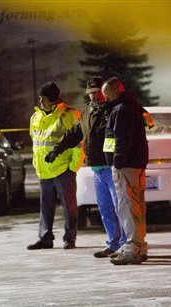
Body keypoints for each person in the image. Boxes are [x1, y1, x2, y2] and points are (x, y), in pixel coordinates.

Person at [45, 76, 126, 258]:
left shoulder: (113, 109)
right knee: (105, 209)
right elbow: (74, 134)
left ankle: (125, 245)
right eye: (90, 94)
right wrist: (57, 149)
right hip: (96, 168)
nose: (94, 97)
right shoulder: (86, 111)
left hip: (112, 167)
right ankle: (113, 244)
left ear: (104, 92)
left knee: (120, 208)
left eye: (97, 93)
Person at [27, 81, 83, 250]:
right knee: (46, 207)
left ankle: (69, 238)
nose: (40, 101)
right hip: (44, 170)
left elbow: (78, 144)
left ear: (52, 98)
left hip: (63, 168)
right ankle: (45, 239)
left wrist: (73, 167)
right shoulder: (36, 116)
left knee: (69, 206)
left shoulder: (70, 115)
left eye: (43, 98)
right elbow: (35, 142)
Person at [101, 77, 149, 265]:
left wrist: (118, 159)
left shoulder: (121, 109)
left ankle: (132, 249)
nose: (105, 98)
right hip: (135, 164)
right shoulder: (133, 106)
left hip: (125, 165)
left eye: (107, 94)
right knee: (137, 206)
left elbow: (122, 137)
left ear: (116, 90)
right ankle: (140, 246)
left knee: (126, 205)